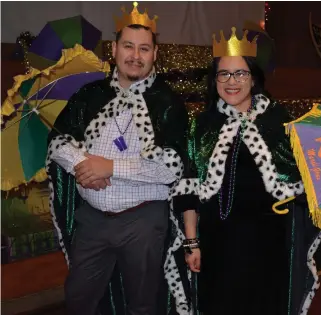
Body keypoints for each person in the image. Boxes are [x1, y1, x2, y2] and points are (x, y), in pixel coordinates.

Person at [164, 27, 321, 315]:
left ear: (253, 77)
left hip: (269, 244)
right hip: (218, 244)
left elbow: (303, 180)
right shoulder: (202, 126)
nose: (232, 82)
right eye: (223, 74)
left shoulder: (279, 122)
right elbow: (187, 191)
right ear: (214, 80)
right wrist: (191, 242)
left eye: (240, 73)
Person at [46, 3, 190, 315]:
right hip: (93, 221)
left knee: (142, 304)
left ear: (154, 54)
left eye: (144, 49)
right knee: (78, 300)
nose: (135, 56)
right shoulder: (89, 95)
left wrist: (110, 167)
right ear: (114, 48)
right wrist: (83, 166)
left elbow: (172, 166)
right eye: (128, 46)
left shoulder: (167, 103)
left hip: (143, 221)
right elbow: (57, 140)